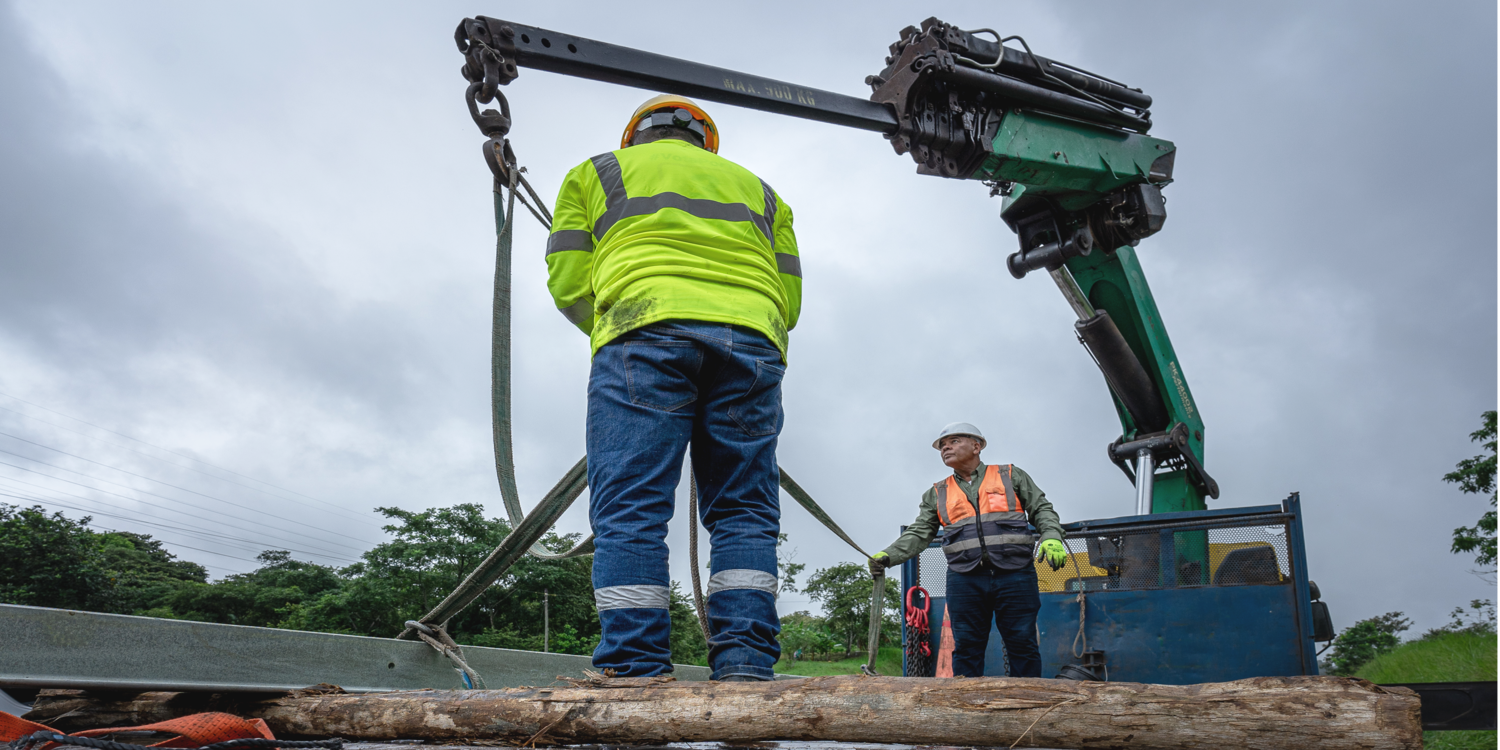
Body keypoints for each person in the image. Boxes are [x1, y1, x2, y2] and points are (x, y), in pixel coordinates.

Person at [546, 95, 801, 681]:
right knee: (744, 512)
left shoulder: (596, 171)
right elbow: (790, 297)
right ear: (705, 139)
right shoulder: (763, 192)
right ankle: (744, 668)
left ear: (636, 134)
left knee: (631, 509)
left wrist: (615, 324)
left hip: (643, 328)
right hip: (753, 342)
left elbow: (566, 277)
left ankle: (635, 669)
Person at [868, 422, 1068, 678]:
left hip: (1015, 573)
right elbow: (919, 532)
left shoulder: (1010, 475)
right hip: (965, 578)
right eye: (942, 445)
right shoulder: (937, 493)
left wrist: (1052, 536)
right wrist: (888, 556)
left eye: (953, 442)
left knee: (1022, 643)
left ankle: (1027, 705)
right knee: (966, 647)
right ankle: (968, 706)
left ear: (977, 446)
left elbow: (1041, 509)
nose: (945, 448)